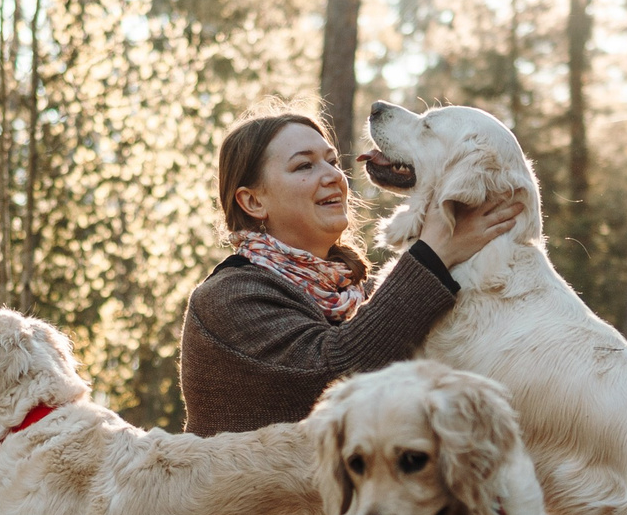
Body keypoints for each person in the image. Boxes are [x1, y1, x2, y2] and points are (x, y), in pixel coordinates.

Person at [179, 111, 522, 437]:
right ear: (253, 202)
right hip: (246, 499)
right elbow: (339, 374)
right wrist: (434, 252)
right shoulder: (227, 299)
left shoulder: (360, 293)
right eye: (304, 165)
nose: (333, 176)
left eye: (331, 161)